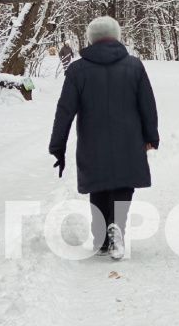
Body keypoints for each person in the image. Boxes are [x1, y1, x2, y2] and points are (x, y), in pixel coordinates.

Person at [49, 16, 159, 260]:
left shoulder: (78, 70)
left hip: (92, 140)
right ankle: (116, 229)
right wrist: (151, 135)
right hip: (129, 139)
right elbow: (147, 105)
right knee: (123, 184)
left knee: (98, 186)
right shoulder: (134, 66)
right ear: (117, 36)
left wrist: (57, 145)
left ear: (91, 38)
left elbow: (65, 110)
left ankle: (100, 240)